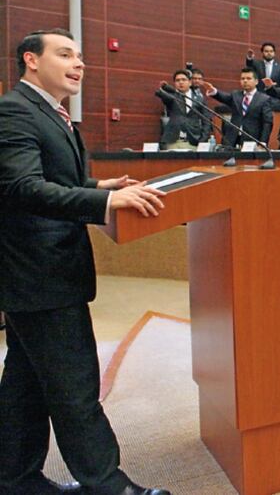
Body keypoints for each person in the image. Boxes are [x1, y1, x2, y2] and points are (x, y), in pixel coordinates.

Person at [0, 29, 170, 495]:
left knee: (27, 382)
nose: (79, 63)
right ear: (31, 61)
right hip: (38, 272)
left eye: (80, 55)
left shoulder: (52, 115)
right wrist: (107, 205)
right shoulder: (14, 110)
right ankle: (108, 485)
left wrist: (98, 186)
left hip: (40, 272)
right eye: (66, 54)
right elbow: (20, 188)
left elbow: (52, 177)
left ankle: (13, 479)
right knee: (74, 385)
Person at [203, 67, 274, 149]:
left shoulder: (264, 99)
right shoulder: (236, 95)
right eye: (242, 78)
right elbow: (224, 97)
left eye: (248, 78)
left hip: (252, 139)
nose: (245, 81)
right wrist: (213, 91)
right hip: (232, 139)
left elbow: (267, 122)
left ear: (256, 81)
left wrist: (263, 141)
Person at [156, 69, 209, 149]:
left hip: (193, 140)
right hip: (173, 141)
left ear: (190, 82)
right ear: (174, 83)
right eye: (177, 80)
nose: (181, 82)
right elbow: (164, 97)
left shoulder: (199, 99)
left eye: (183, 80)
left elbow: (207, 121)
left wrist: (203, 140)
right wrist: (161, 89)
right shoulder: (172, 96)